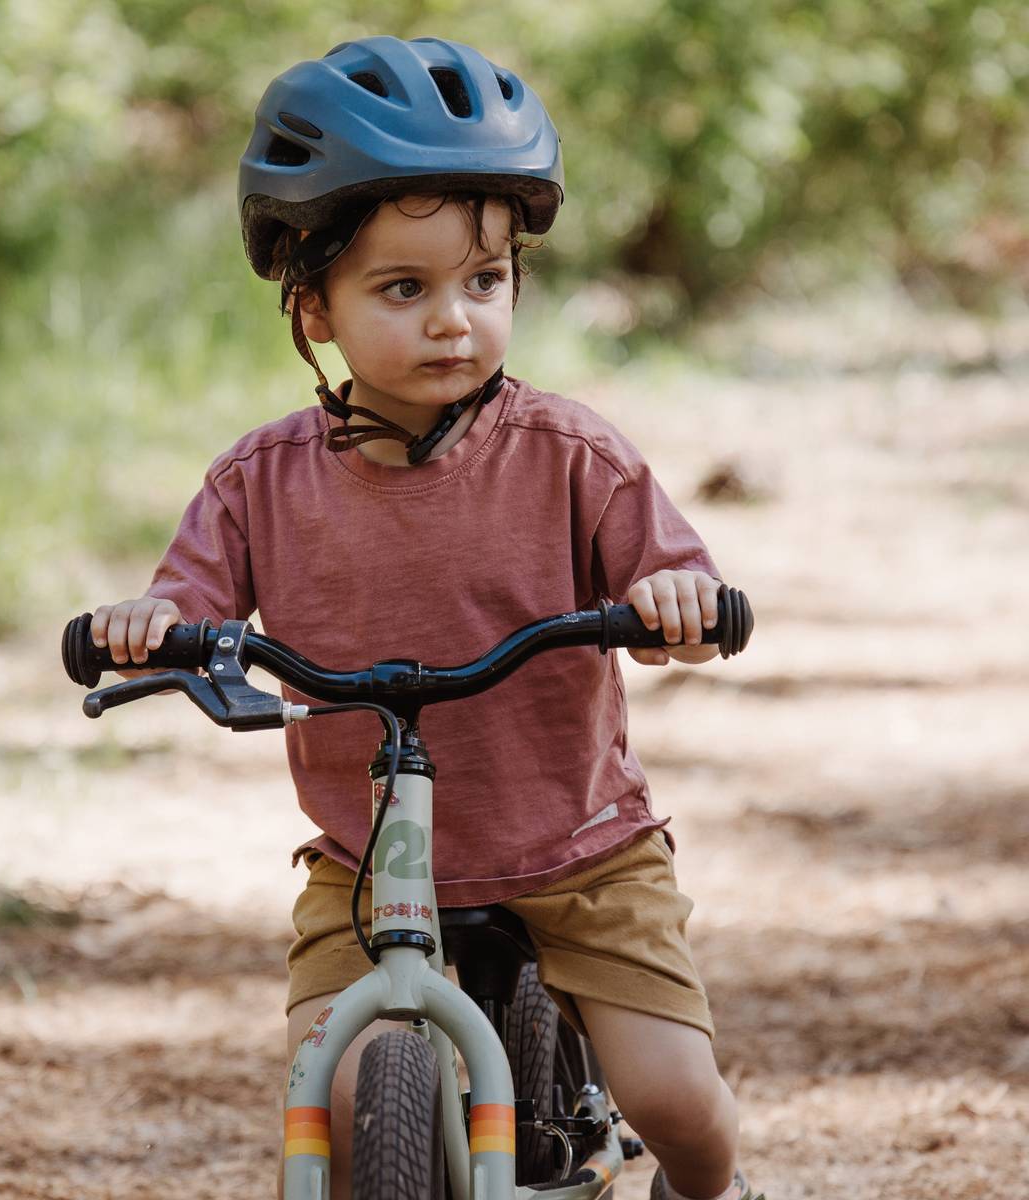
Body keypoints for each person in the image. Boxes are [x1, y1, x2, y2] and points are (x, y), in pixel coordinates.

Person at [89, 35, 762, 1200]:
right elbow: (188, 599)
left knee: (677, 1101)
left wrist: (675, 605)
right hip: (368, 865)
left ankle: (706, 1192)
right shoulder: (261, 481)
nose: (454, 319)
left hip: (578, 848)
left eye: (484, 282)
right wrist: (152, 625)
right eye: (405, 288)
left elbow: (677, 591)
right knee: (348, 1108)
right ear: (314, 307)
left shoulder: (571, 455)